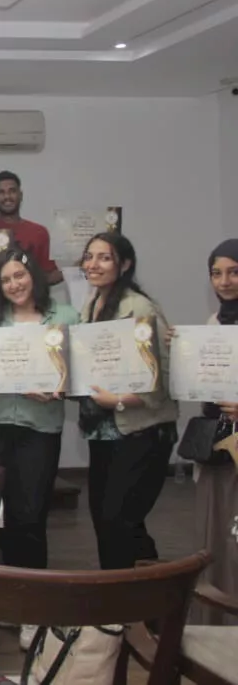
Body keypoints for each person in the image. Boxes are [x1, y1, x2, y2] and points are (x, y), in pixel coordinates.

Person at [0, 248, 78, 649]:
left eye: (20, 276)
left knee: (30, 514)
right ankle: (1, 600)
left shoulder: (64, 317)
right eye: (6, 279)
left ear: (34, 277)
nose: (14, 285)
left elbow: (77, 376)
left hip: (37, 428)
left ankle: (32, 608)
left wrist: (58, 388)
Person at [76, 233, 176, 570]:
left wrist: (119, 400)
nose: (93, 264)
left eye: (104, 257)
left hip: (140, 430)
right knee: (106, 520)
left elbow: (161, 377)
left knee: (119, 519)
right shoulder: (91, 305)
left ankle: (143, 593)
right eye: (89, 257)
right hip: (103, 431)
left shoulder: (140, 307)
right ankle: (123, 594)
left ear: (125, 264)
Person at [194, 239, 238, 625]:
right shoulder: (214, 324)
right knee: (218, 533)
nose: (224, 281)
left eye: (234, 272)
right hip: (220, 447)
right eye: (216, 273)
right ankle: (217, 624)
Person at [0, 171, 62, 286]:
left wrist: (76, 269)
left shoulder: (38, 232)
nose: (7, 196)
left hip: (26, 296)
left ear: (20, 195)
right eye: (1, 192)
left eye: (12, 191)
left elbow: (47, 276)